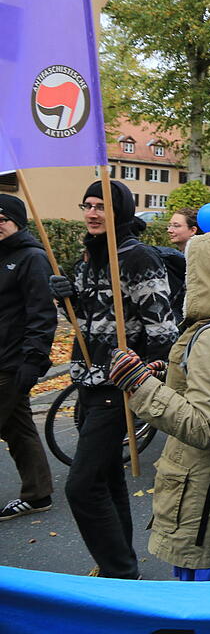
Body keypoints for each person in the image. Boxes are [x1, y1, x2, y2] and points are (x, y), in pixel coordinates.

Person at [109, 230, 210, 580]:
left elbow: (203, 424)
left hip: (206, 496)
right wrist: (172, 374)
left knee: (201, 604)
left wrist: (141, 386)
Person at [48, 180, 178, 579]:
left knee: (81, 486)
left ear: (118, 211)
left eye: (100, 205)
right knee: (105, 478)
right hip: (87, 380)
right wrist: (67, 301)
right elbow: (87, 327)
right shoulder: (88, 257)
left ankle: (117, 570)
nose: (91, 213)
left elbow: (163, 331)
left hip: (118, 387)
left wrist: (146, 376)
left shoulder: (138, 257)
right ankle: (123, 567)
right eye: (87, 205)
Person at [0, 195, 57, 521]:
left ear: (17, 221)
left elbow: (41, 314)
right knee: (18, 428)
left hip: (11, 362)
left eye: (2, 220)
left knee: (15, 426)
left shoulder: (31, 258)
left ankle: (37, 494)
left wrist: (33, 361)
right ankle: (37, 494)